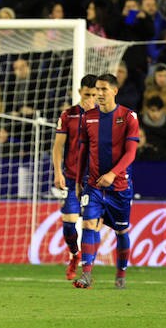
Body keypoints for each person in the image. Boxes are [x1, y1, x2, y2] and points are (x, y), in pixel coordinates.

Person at [74, 74, 140, 290]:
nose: (99, 94)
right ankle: (86, 274)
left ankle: (121, 273)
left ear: (114, 91)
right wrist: (77, 180)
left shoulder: (128, 116)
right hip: (93, 185)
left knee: (121, 231)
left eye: (103, 89)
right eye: (97, 90)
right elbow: (83, 151)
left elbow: (131, 153)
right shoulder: (88, 117)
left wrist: (113, 173)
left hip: (119, 187)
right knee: (88, 224)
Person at [51, 74, 97, 280]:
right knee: (69, 222)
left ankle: (88, 270)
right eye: (87, 94)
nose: (90, 98)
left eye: (94, 95)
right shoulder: (68, 115)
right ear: (79, 92)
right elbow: (58, 147)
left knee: (91, 224)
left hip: (95, 180)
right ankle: (75, 254)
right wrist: (57, 172)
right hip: (71, 178)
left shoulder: (103, 116)